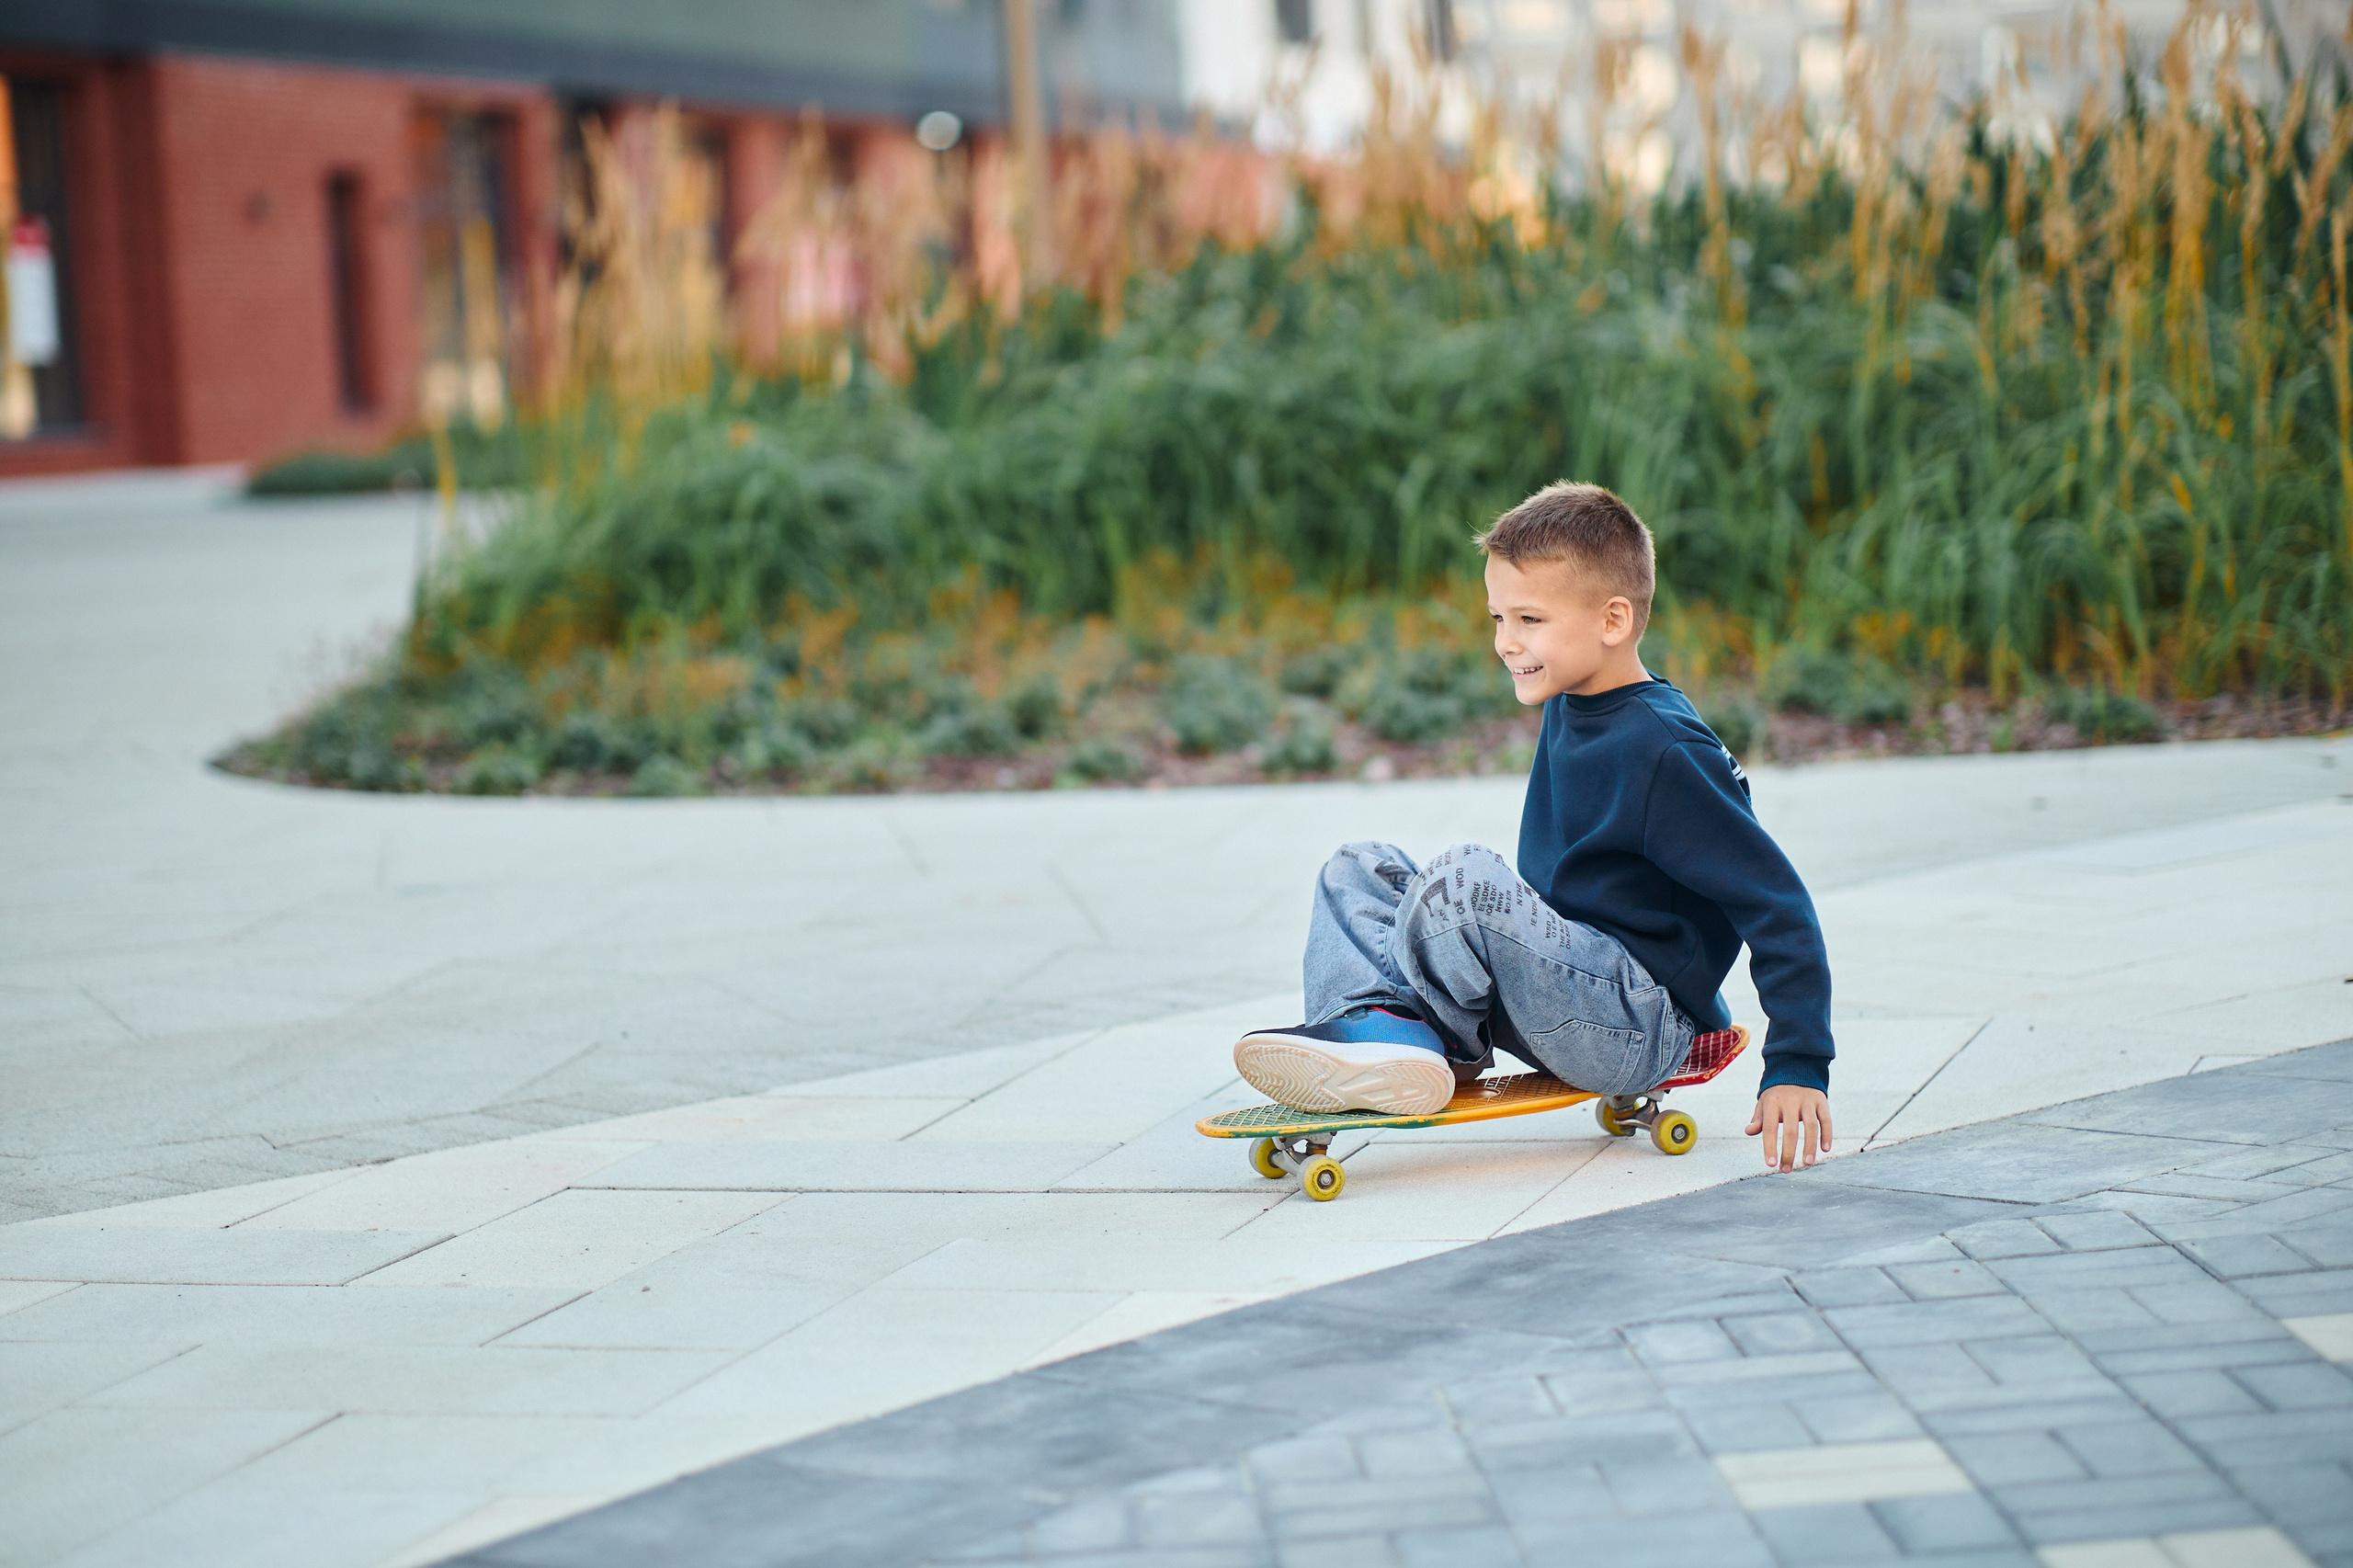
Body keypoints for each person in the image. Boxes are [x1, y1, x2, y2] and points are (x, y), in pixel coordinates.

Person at [1233, 482, 1836, 1172]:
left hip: (1637, 1021)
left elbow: (1778, 905)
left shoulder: (1666, 750)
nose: (1505, 642)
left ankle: (1417, 1042)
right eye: (1497, 618)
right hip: (1562, 990)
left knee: (1465, 881)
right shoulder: (1574, 699)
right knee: (1357, 866)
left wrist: (1798, 1063)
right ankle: (1380, 1034)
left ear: (1612, 621)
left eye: (1529, 620)